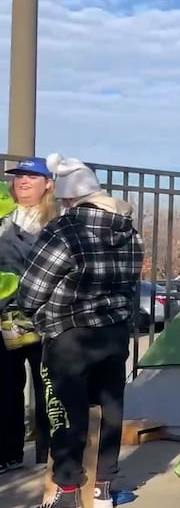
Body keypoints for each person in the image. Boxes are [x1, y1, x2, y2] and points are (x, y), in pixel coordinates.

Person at [18, 154, 144, 508]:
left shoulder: (65, 229)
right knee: (109, 408)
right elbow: (131, 284)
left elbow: (33, 288)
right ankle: (103, 486)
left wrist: (33, 311)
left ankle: (67, 488)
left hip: (69, 333)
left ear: (69, 197)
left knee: (66, 410)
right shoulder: (128, 231)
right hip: (114, 332)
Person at [0, 157, 56, 474]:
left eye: (32, 177)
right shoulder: (4, 216)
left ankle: (47, 453)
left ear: (47, 183)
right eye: (19, 176)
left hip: (45, 313)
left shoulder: (56, 220)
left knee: (46, 383)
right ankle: (7, 453)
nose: (23, 181)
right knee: (6, 386)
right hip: (8, 314)